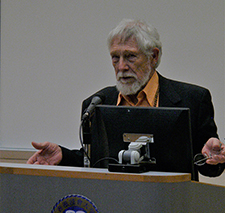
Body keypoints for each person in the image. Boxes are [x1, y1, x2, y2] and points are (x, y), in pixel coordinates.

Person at [27, 18, 225, 180]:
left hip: (171, 208)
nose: (121, 67)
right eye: (115, 57)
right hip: (113, 207)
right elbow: (96, 160)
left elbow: (209, 168)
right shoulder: (97, 103)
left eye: (130, 57)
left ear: (153, 57)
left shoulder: (193, 99)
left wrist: (212, 157)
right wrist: (63, 155)